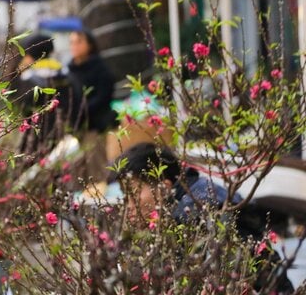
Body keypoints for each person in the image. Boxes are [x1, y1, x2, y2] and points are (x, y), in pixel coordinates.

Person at [110, 142, 294, 293]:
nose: (128, 205)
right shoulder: (194, 195)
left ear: (164, 187)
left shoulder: (192, 215)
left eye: (133, 194)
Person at [67, 29, 116, 183]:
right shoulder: (69, 70)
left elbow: (104, 95)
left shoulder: (99, 68)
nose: (74, 46)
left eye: (79, 42)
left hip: (94, 126)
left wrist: (83, 110)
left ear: (90, 45)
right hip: (74, 128)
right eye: (72, 42)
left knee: (96, 169)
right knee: (76, 171)